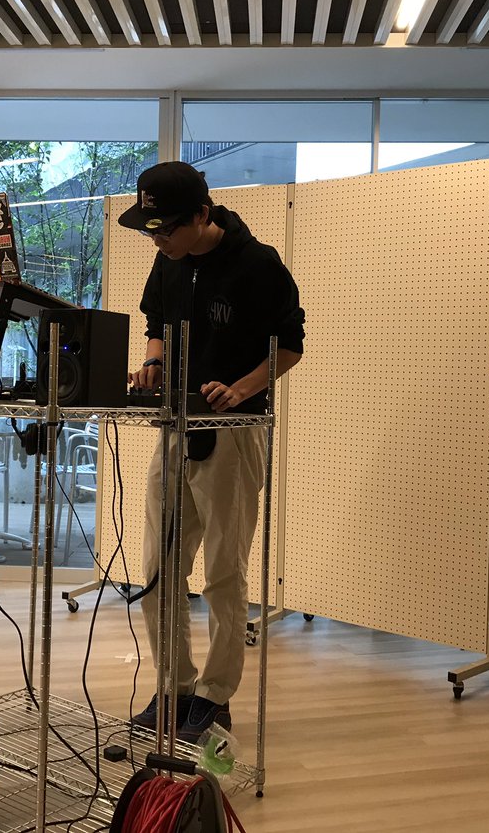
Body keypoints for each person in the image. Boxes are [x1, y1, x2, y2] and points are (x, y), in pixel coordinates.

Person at [118, 161, 305, 742]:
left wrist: (242, 389)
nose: (157, 240)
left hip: (233, 433)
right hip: (175, 427)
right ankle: (173, 687)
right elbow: (155, 319)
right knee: (158, 571)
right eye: (149, 230)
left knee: (223, 573)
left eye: (166, 229)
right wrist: (153, 360)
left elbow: (291, 347)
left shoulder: (259, 264)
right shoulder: (167, 260)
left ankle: (215, 696)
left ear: (202, 214)